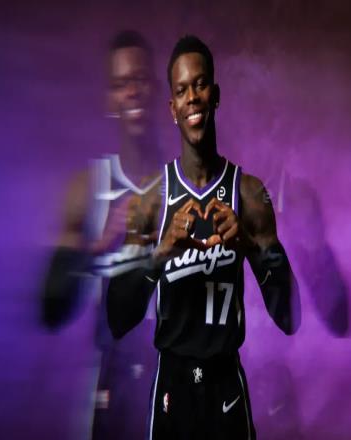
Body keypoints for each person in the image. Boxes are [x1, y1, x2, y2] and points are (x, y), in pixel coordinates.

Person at [108, 35, 301, 440]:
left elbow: (289, 317)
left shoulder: (250, 194)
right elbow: (117, 318)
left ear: (216, 95)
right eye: (181, 90)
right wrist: (159, 255)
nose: (192, 97)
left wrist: (249, 246)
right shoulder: (150, 200)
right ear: (172, 108)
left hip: (225, 385)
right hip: (172, 389)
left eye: (200, 85)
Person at [41, 30, 162, 440]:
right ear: (110, 99)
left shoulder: (189, 186)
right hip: (110, 396)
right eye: (121, 84)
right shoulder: (89, 189)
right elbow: (51, 310)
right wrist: (99, 246)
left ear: (157, 90)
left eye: (140, 80)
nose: (133, 92)